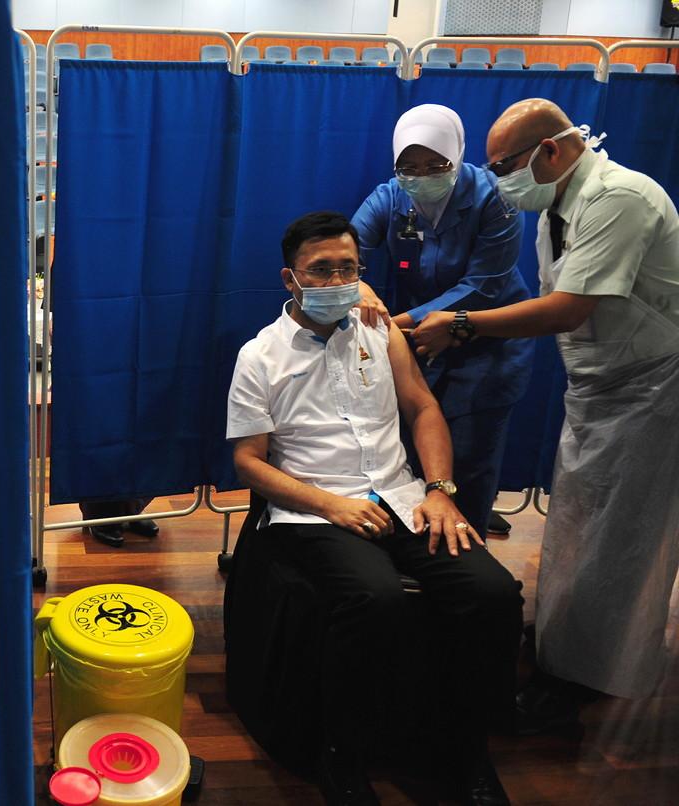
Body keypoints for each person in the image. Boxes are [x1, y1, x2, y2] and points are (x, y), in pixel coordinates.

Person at [228, 212, 521, 806]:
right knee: (375, 598)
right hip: (314, 509)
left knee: (493, 593)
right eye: (321, 270)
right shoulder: (259, 356)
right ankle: (342, 754)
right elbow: (249, 463)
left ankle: (466, 751)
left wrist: (441, 490)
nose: (338, 279)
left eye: (349, 268)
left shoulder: (381, 333)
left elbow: (422, 411)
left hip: (403, 495)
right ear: (292, 278)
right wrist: (331, 505)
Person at [413, 98, 679, 729]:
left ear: (551, 152)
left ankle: (586, 677)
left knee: (621, 540)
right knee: (578, 528)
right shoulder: (557, 207)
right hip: (600, 386)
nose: (500, 180)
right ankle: (564, 647)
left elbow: (566, 308)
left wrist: (459, 324)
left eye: (505, 166)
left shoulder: (622, 199)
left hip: (651, 387)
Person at [351, 104, 533, 540]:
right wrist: (358, 286)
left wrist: (400, 321)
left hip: (485, 337)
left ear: (458, 155)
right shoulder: (391, 197)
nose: (422, 174)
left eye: (437, 164)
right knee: (415, 447)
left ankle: (464, 557)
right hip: (420, 340)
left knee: (470, 454)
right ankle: (415, 547)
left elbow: (485, 284)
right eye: (408, 166)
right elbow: (346, 245)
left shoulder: (497, 197)